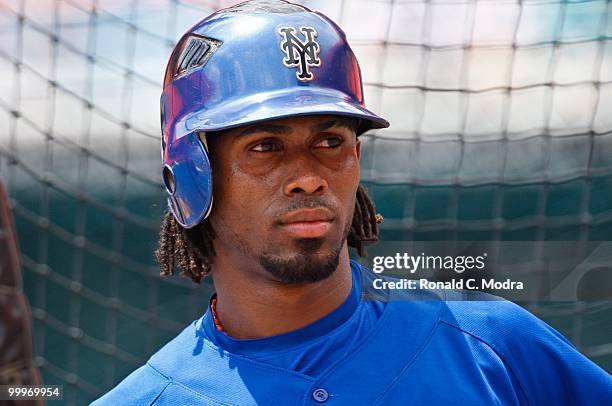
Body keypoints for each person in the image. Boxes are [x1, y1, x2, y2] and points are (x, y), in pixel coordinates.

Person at [93, 1, 612, 404]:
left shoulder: (493, 341)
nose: (307, 178)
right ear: (191, 176)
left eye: (330, 141)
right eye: (265, 147)